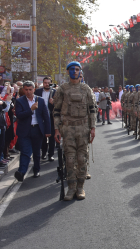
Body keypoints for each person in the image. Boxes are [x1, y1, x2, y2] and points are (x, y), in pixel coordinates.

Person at [53, 62, 96, 200]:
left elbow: (92, 109)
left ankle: (80, 187)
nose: (75, 72)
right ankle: (71, 188)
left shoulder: (86, 89)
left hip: (83, 128)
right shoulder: (62, 89)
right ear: (68, 72)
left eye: (77, 69)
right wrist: (56, 129)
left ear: (80, 72)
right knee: (70, 159)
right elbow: (57, 111)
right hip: (68, 128)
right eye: (72, 69)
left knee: (81, 159)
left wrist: (93, 127)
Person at [14, 81, 51, 181]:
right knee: (25, 152)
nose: (28, 92)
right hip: (24, 130)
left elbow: (46, 117)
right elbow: (19, 115)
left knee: (36, 152)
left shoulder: (41, 100)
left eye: (30, 89)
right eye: (26, 89)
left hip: (37, 129)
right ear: (23, 90)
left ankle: (36, 170)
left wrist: (48, 130)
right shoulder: (20, 101)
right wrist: (31, 110)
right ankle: (21, 172)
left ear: (34, 89)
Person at [35, 77, 57, 161]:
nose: (47, 84)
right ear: (43, 83)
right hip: (41, 117)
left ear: (51, 83)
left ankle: (50, 154)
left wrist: (54, 103)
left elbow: (60, 105)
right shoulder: (38, 91)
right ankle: (43, 152)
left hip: (51, 117)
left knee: (51, 136)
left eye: (48, 83)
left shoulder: (55, 92)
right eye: (45, 82)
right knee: (42, 135)